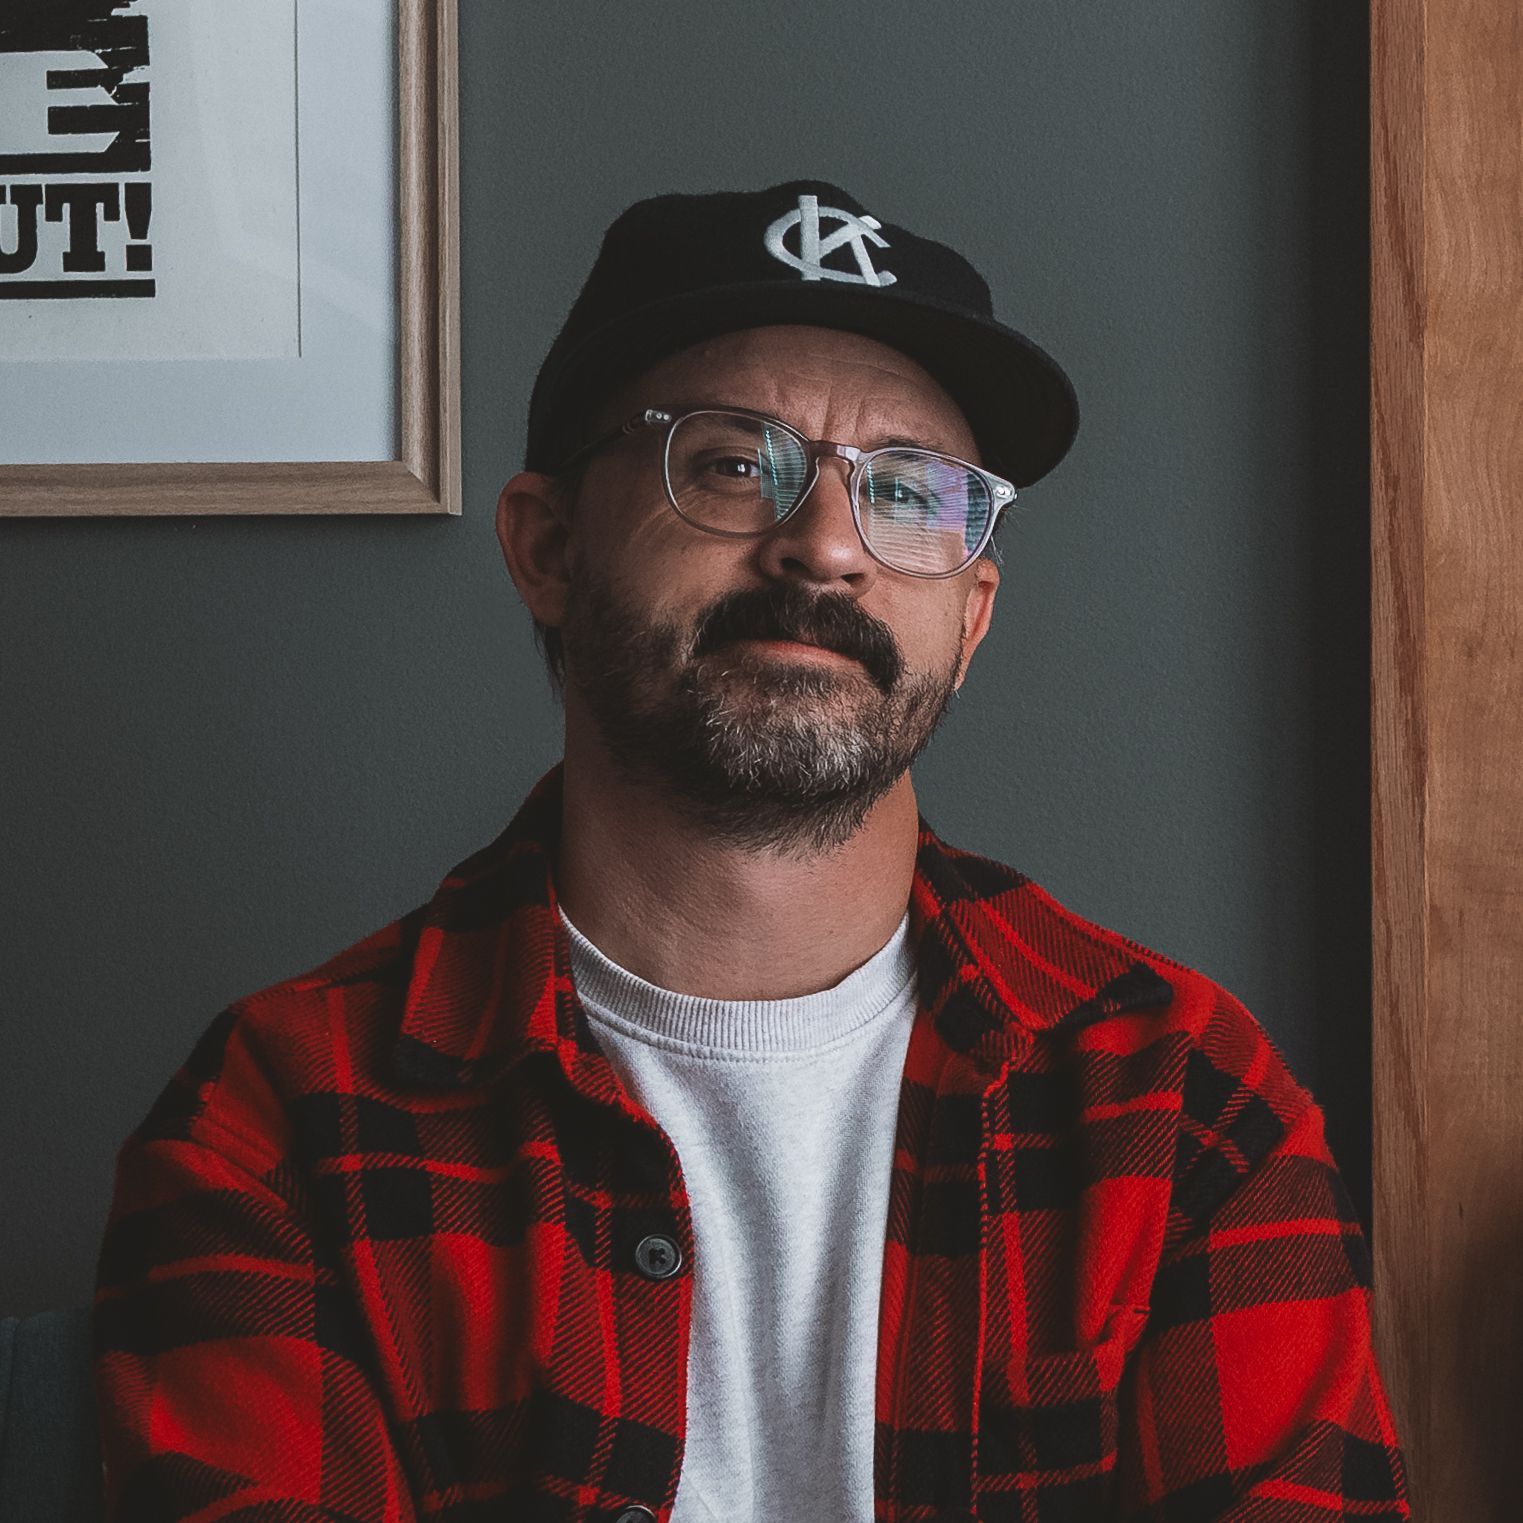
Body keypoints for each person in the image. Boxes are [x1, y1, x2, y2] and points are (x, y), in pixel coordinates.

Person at [92, 179, 1411, 1522]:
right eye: (731, 462)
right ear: (549, 548)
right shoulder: (276, 1127)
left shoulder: (1182, 1106)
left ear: (973, 617)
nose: (827, 545)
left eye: (909, 492)